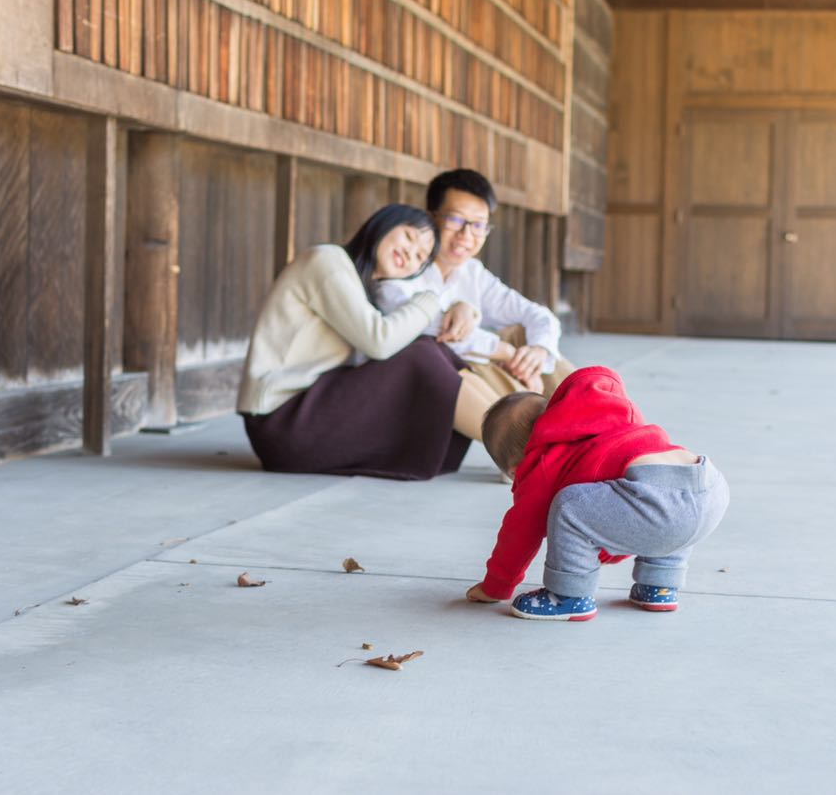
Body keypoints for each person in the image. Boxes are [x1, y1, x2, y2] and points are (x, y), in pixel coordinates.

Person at [236, 204, 500, 480]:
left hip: (309, 409)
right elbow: (379, 341)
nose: (411, 253)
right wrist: (434, 299)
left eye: (421, 257)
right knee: (420, 356)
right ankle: (519, 449)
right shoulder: (326, 261)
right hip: (280, 420)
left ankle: (524, 438)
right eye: (409, 237)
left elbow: (409, 334)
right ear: (383, 224)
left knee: (434, 350)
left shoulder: (364, 290)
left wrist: (461, 306)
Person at [464, 367, 730, 621]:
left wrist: (496, 586)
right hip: (710, 488)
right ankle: (659, 585)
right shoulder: (604, 433)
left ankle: (568, 596)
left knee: (569, 507)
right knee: (660, 498)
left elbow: (520, 533)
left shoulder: (542, 465)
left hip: (661, 507)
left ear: (514, 470)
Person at [374, 168, 574, 398]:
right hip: (427, 382)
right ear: (431, 218)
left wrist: (539, 352)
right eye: (455, 220)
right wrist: (505, 353)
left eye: (478, 225)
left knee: (521, 333)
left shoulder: (471, 271)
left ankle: (594, 409)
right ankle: (541, 414)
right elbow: (436, 331)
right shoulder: (403, 265)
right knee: (455, 351)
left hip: (475, 375)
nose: (466, 235)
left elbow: (537, 315)